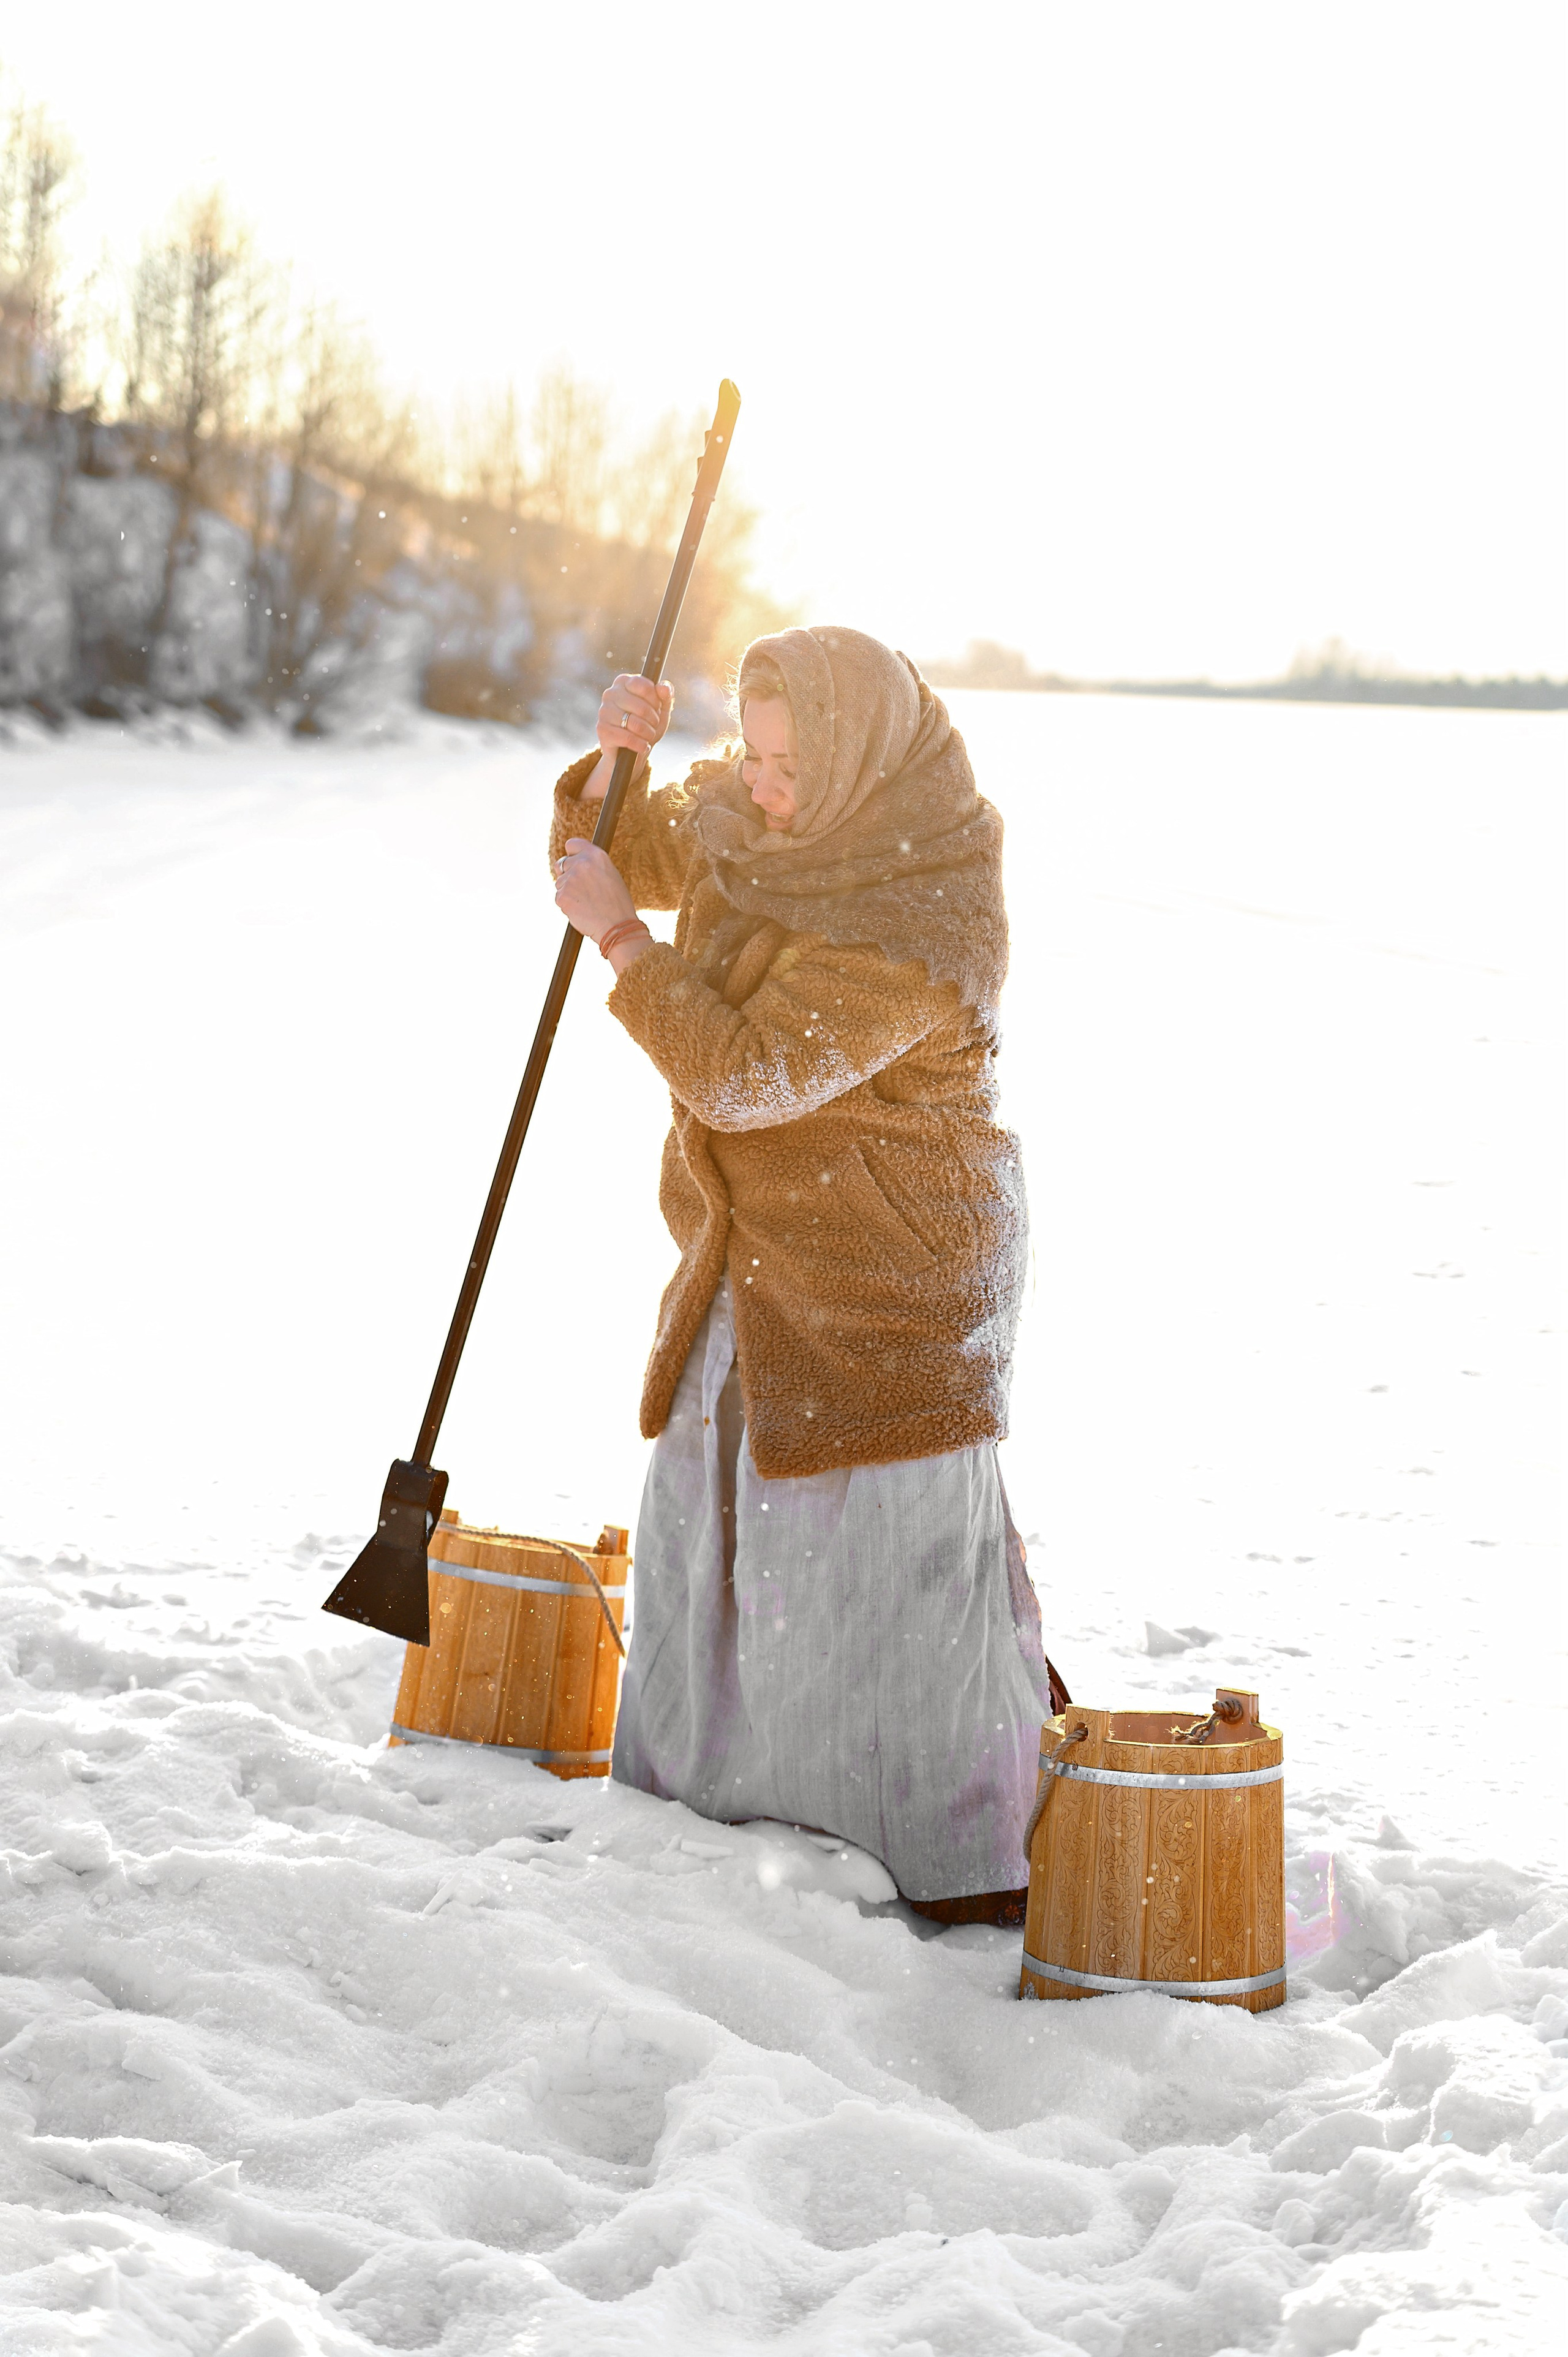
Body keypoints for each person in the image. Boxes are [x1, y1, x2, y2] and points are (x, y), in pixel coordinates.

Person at [551, 625, 1065, 1924]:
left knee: (869, 1563)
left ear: (851, 758)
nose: (761, 785)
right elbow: (624, 855)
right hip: (761, 1238)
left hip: (893, 1266)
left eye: (788, 765)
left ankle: (929, 1850)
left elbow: (746, 1072)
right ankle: (718, 1802)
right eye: (753, 753)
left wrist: (623, 947)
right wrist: (614, 763)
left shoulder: (918, 907)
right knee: (718, 1504)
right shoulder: (764, 816)